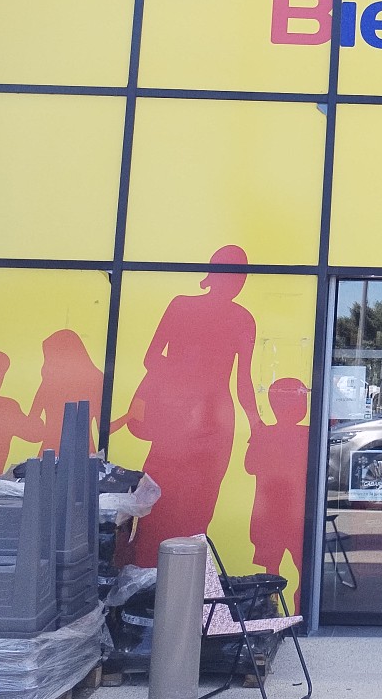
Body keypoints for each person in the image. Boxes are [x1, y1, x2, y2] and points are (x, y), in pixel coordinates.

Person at [111, 247, 259, 563]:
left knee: (198, 511)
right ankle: (146, 576)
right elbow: (151, 358)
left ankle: (184, 581)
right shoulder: (183, 306)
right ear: (213, 273)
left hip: (214, 422)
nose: (238, 281)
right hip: (178, 417)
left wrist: (256, 425)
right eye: (233, 273)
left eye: (241, 275)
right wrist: (184, 371)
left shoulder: (242, 318)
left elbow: (243, 382)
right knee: (158, 503)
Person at [245, 376, 310, 605]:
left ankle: (271, 608)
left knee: (271, 568)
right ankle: (293, 606)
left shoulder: (265, 433)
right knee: (300, 565)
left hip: (269, 512)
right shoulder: (307, 434)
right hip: (294, 512)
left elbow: (250, 466)